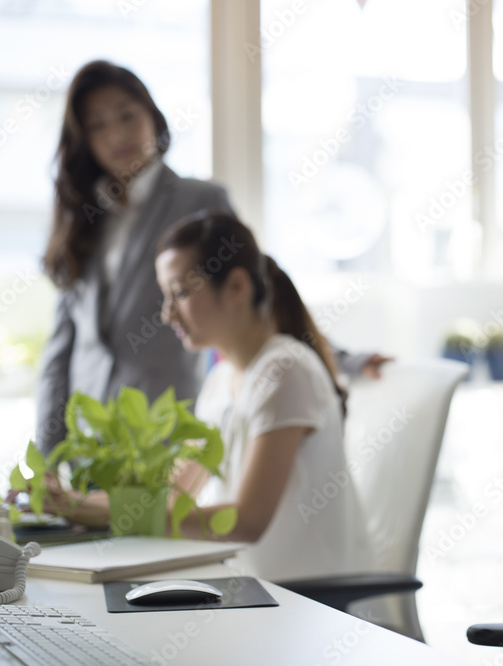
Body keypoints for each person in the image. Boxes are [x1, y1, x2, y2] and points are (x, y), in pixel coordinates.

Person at [36, 60, 387, 456]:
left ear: (152, 116)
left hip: (161, 428)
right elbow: (61, 347)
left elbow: (257, 288)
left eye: (127, 115)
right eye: (97, 124)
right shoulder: (82, 219)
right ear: (83, 139)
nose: (117, 133)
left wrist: (339, 357)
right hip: (86, 440)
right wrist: (46, 459)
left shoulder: (197, 200)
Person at [48, 210, 373, 581]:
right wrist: (71, 503)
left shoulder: (285, 370)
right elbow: (176, 492)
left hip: (302, 606)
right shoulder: (221, 380)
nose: (168, 314)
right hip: (246, 593)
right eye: (166, 296)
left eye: (181, 293)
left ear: (236, 287)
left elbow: (247, 522)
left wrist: (109, 511)